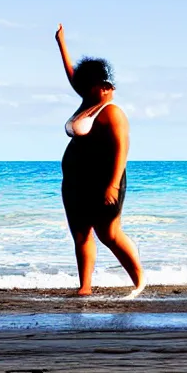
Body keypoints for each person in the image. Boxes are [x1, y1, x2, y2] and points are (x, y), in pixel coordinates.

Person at [55, 23, 145, 297]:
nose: (79, 88)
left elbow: (122, 149)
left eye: (86, 85)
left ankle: (139, 279)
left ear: (101, 86)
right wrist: (61, 43)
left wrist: (113, 185)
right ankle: (85, 287)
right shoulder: (88, 100)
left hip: (104, 181)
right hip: (75, 182)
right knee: (81, 234)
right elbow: (73, 77)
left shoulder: (111, 111)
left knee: (109, 233)